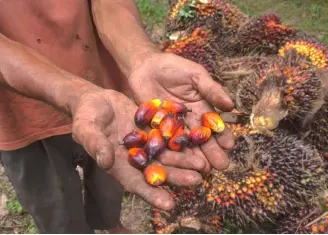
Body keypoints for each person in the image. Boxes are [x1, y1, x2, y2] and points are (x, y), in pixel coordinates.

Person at [0, 0, 235, 233]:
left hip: (107, 97)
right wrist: (74, 93)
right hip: (21, 115)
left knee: (110, 174)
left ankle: (110, 224)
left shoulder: (134, 123)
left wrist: (142, 56)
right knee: (54, 204)